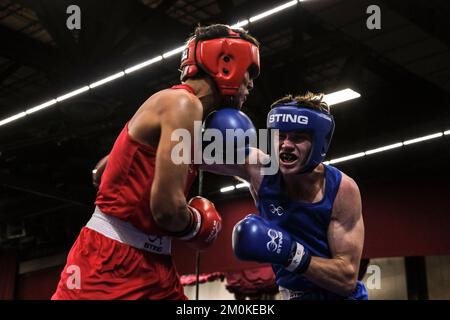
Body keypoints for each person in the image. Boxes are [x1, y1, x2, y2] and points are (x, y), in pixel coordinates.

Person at [52, 24, 260, 300]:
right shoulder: (183, 105)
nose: (251, 84)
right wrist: (198, 224)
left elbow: (102, 171)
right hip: (109, 265)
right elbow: (166, 210)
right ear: (226, 63)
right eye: (250, 72)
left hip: (155, 264)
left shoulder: (185, 112)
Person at [205, 92, 368, 300]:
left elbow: (346, 279)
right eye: (280, 135)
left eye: (298, 137)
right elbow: (186, 154)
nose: (287, 145)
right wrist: (204, 115)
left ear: (319, 142)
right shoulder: (260, 168)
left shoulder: (341, 189)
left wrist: (291, 254)